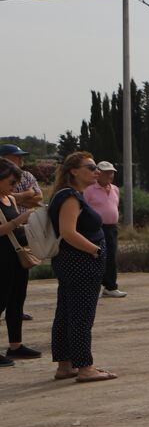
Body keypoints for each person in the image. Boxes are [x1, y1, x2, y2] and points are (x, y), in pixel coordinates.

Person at [47, 152, 116, 383]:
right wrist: (94, 250)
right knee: (81, 316)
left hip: (71, 263)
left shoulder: (70, 195)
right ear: (74, 171)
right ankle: (85, 367)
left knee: (66, 314)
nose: (96, 171)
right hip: (80, 263)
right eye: (90, 167)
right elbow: (68, 232)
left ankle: (65, 365)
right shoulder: (70, 197)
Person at [1, 160, 40, 367]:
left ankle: (15, 344)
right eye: (11, 181)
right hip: (1, 257)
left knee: (17, 299)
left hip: (16, 255)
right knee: (1, 300)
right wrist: (20, 220)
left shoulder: (10, 199)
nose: (15, 186)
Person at [84, 161, 126, 298]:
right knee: (96, 257)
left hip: (112, 228)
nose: (110, 175)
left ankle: (111, 286)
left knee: (111, 257)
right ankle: (93, 287)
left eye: (112, 172)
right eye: (107, 172)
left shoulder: (115, 189)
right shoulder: (89, 189)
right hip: (95, 228)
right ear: (98, 173)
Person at [0, 144, 43, 209]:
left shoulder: (27, 175)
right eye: (17, 156)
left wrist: (14, 200)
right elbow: (4, 198)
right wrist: (28, 194)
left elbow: (39, 198)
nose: (21, 159)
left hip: (27, 218)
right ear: (4, 158)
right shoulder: (2, 176)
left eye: (21, 156)